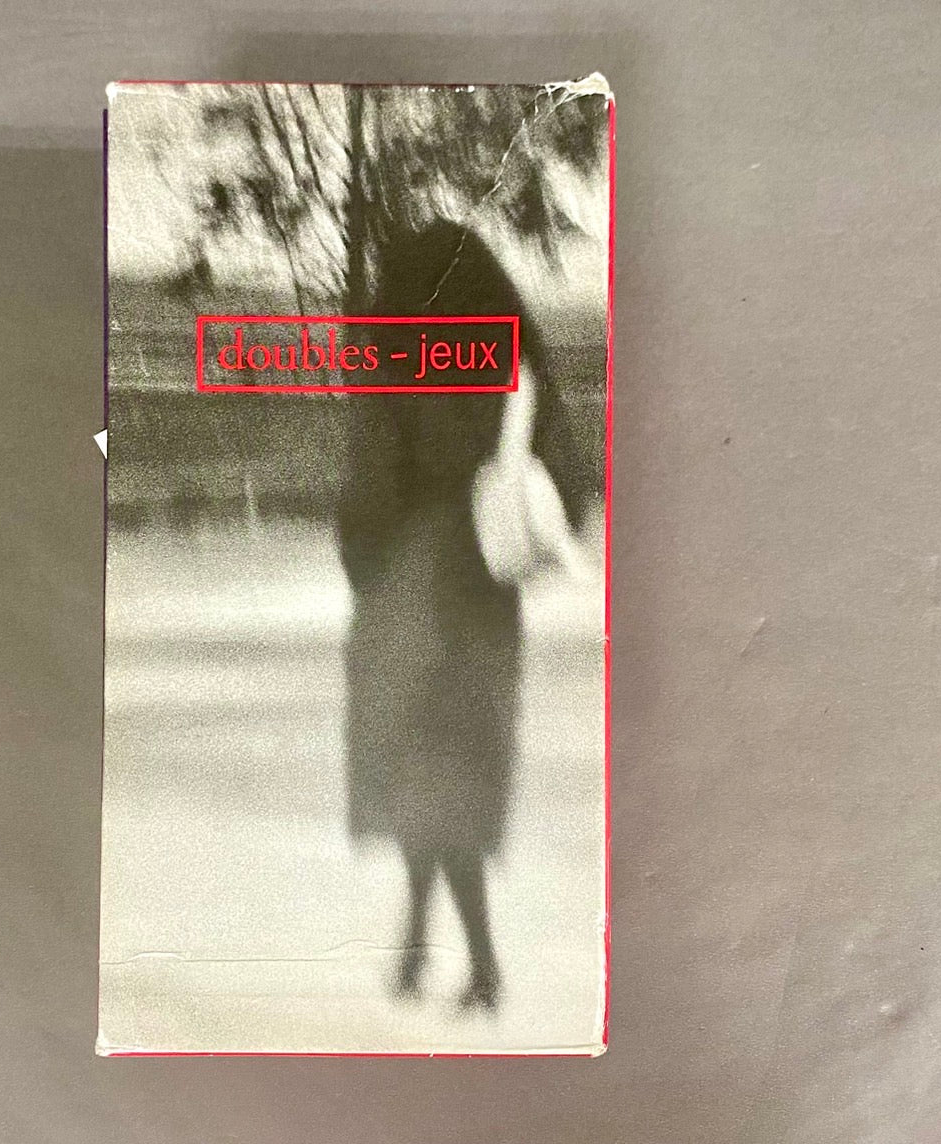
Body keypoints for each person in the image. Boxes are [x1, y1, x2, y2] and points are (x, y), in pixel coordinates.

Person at [336, 217, 595, 1011]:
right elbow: (571, 488)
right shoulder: (520, 366)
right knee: (458, 773)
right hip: (486, 599)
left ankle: (478, 968)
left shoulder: (398, 364)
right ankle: (418, 952)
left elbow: (369, 492)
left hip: (409, 591)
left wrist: (366, 567)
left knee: (419, 773)